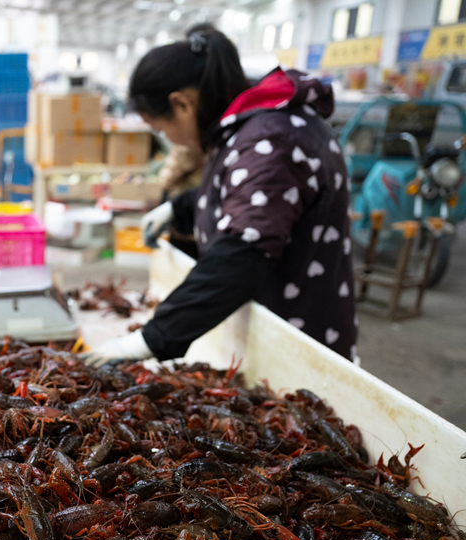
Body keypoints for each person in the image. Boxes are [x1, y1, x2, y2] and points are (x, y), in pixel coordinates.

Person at [86, 25, 357, 365]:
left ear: (182, 104)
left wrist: (152, 338)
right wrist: (180, 208)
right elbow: (249, 193)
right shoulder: (254, 127)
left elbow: (242, 252)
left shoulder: (272, 138)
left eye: (161, 129)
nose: (168, 138)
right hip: (266, 327)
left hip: (297, 338)